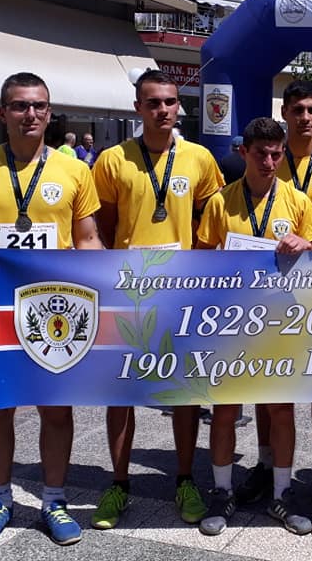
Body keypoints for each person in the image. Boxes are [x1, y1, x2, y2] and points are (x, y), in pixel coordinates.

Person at [0, 72, 103, 547]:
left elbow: (87, 239)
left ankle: (54, 500)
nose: (30, 114)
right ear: (3, 113)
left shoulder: (73, 170)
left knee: (55, 411)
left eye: (39, 106)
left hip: (58, 310)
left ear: (49, 112)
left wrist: (111, 282)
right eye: (20, 106)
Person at [89, 69, 224, 531]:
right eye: (153, 102)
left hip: (182, 291)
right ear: (138, 108)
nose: (162, 110)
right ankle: (118, 483)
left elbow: (212, 219)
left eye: (169, 101)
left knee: (184, 391)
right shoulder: (113, 160)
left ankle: (185, 479)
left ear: (178, 106)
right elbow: (105, 226)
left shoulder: (200, 158)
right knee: (121, 390)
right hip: (129, 290)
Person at [236, 79, 312, 508]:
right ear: (284, 114)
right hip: (270, 285)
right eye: (297, 110)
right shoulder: (270, 155)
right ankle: (266, 462)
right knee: (267, 381)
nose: (305, 117)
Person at [196, 117, 312, 536]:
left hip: (280, 321)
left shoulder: (298, 202)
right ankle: (222, 492)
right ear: (243, 152)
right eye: (261, 153)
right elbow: (201, 257)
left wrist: (307, 244)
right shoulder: (220, 202)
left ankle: (282, 495)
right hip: (231, 321)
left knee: (281, 409)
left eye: (276, 154)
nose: (268, 162)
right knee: (225, 410)